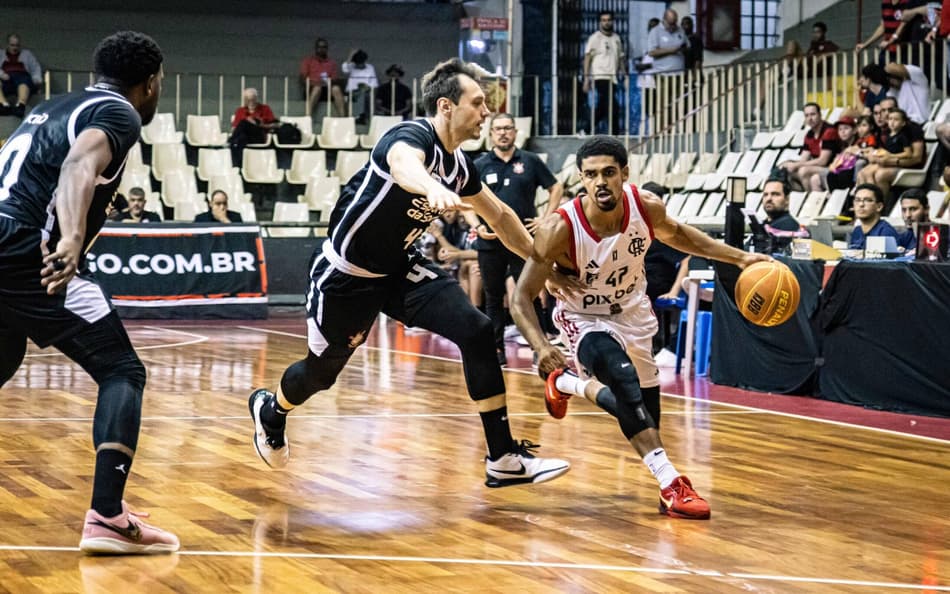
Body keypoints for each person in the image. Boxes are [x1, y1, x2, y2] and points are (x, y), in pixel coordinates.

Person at [247, 58, 571, 488]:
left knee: (476, 330)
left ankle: (502, 457)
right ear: (446, 106)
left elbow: (502, 216)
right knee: (319, 376)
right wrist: (431, 187)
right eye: (478, 103)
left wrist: (540, 265)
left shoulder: (460, 166)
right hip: (347, 277)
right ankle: (271, 410)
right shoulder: (408, 137)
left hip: (400, 269)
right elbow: (403, 164)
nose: (487, 112)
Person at [509, 136, 770, 519]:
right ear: (581, 178)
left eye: (609, 173)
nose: (600, 182)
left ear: (624, 174)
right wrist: (540, 347)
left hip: (633, 314)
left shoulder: (645, 208)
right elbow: (521, 298)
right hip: (582, 316)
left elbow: (681, 235)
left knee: (645, 413)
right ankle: (672, 483)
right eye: (591, 175)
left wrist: (741, 258)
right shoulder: (559, 228)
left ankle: (567, 384)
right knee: (622, 379)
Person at [0, 30, 178, 554]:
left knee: (4, 355)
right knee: (122, 371)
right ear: (148, 84)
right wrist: (73, 238)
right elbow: (79, 166)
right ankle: (106, 515)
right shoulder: (119, 112)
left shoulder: (52, 107)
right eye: (160, 83)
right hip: (22, 248)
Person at [473, 113, 563, 365]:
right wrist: (476, 226)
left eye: (508, 128)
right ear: (490, 134)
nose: (503, 133)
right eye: (498, 129)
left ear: (515, 132)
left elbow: (555, 188)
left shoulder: (530, 161)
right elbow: (466, 201)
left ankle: (540, 348)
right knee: (493, 296)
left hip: (523, 240)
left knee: (530, 293)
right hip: (490, 241)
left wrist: (546, 218)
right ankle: (496, 349)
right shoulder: (480, 164)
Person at [856, 107, 925, 207]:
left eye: (895, 119)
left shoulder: (908, 132)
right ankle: (863, 202)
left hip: (902, 164)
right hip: (888, 162)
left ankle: (878, 204)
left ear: (903, 122)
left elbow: (914, 157)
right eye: (890, 118)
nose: (892, 122)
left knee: (879, 175)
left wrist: (890, 159)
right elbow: (884, 151)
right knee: (863, 173)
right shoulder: (888, 133)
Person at [779, 102, 840, 190]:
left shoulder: (829, 131)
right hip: (819, 167)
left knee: (803, 171)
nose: (810, 118)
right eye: (807, 115)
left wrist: (796, 165)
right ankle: (800, 198)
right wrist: (791, 165)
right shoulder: (809, 134)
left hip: (832, 168)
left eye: (813, 114)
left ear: (820, 115)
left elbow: (823, 161)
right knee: (788, 171)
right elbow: (804, 158)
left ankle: (809, 197)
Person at [583, 10, 626, 134]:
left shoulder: (616, 38)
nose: (606, 23)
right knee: (613, 105)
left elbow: (621, 57)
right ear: (600, 22)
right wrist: (587, 78)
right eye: (604, 20)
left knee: (603, 107)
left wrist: (625, 75)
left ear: (612, 21)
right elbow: (587, 58)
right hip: (600, 76)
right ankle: (615, 134)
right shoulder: (595, 38)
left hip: (613, 77)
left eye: (608, 20)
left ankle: (586, 129)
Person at [809, 115, 860, 191]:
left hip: (848, 176)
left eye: (846, 128)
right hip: (837, 173)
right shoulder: (840, 145)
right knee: (815, 179)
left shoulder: (859, 143)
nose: (842, 132)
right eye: (840, 129)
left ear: (854, 130)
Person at [1, 33, 43, 118]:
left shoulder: (27, 54)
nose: (15, 48)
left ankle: (20, 105)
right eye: (12, 45)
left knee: (23, 82)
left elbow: (35, 67)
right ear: (7, 45)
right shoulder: (1, 54)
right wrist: (1, 74)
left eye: (17, 45)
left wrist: (37, 79)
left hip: (22, 77)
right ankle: (3, 104)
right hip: (6, 79)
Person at [848, 183, 901, 250]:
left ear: (879, 207)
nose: (861, 204)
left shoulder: (886, 232)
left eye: (868, 200)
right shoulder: (857, 231)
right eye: (857, 200)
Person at [300, 38, 345, 116]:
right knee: (317, 88)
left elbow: (334, 79)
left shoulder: (331, 63)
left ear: (327, 49)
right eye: (319, 47)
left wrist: (328, 81)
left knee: (336, 89)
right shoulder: (308, 61)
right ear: (316, 48)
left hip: (326, 89)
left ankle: (343, 117)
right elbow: (302, 77)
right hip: (312, 89)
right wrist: (313, 83)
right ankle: (307, 116)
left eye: (324, 47)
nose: (322, 49)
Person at [229, 87, 277, 155]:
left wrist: (258, 124)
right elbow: (234, 128)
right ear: (245, 100)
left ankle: (231, 140)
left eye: (253, 99)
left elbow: (274, 125)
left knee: (244, 122)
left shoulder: (265, 109)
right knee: (241, 138)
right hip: (245, 138)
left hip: (259, 136)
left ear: (256, 98)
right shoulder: (240, 111)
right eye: (248, 99)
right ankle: (238, 164)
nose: (251, 101)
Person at [342, 49, 378, 125]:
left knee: (366, 94)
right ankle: (359, 117)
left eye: (361, 63)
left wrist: (367, 87)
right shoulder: (351, 66)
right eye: (357, 63)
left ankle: (364, 117)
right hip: (352, 93)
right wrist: (351, 56)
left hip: (366, 92)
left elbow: (374, 84)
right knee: (361, 94)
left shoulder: (370, 67)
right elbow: (344, 69)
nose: (359, 65)